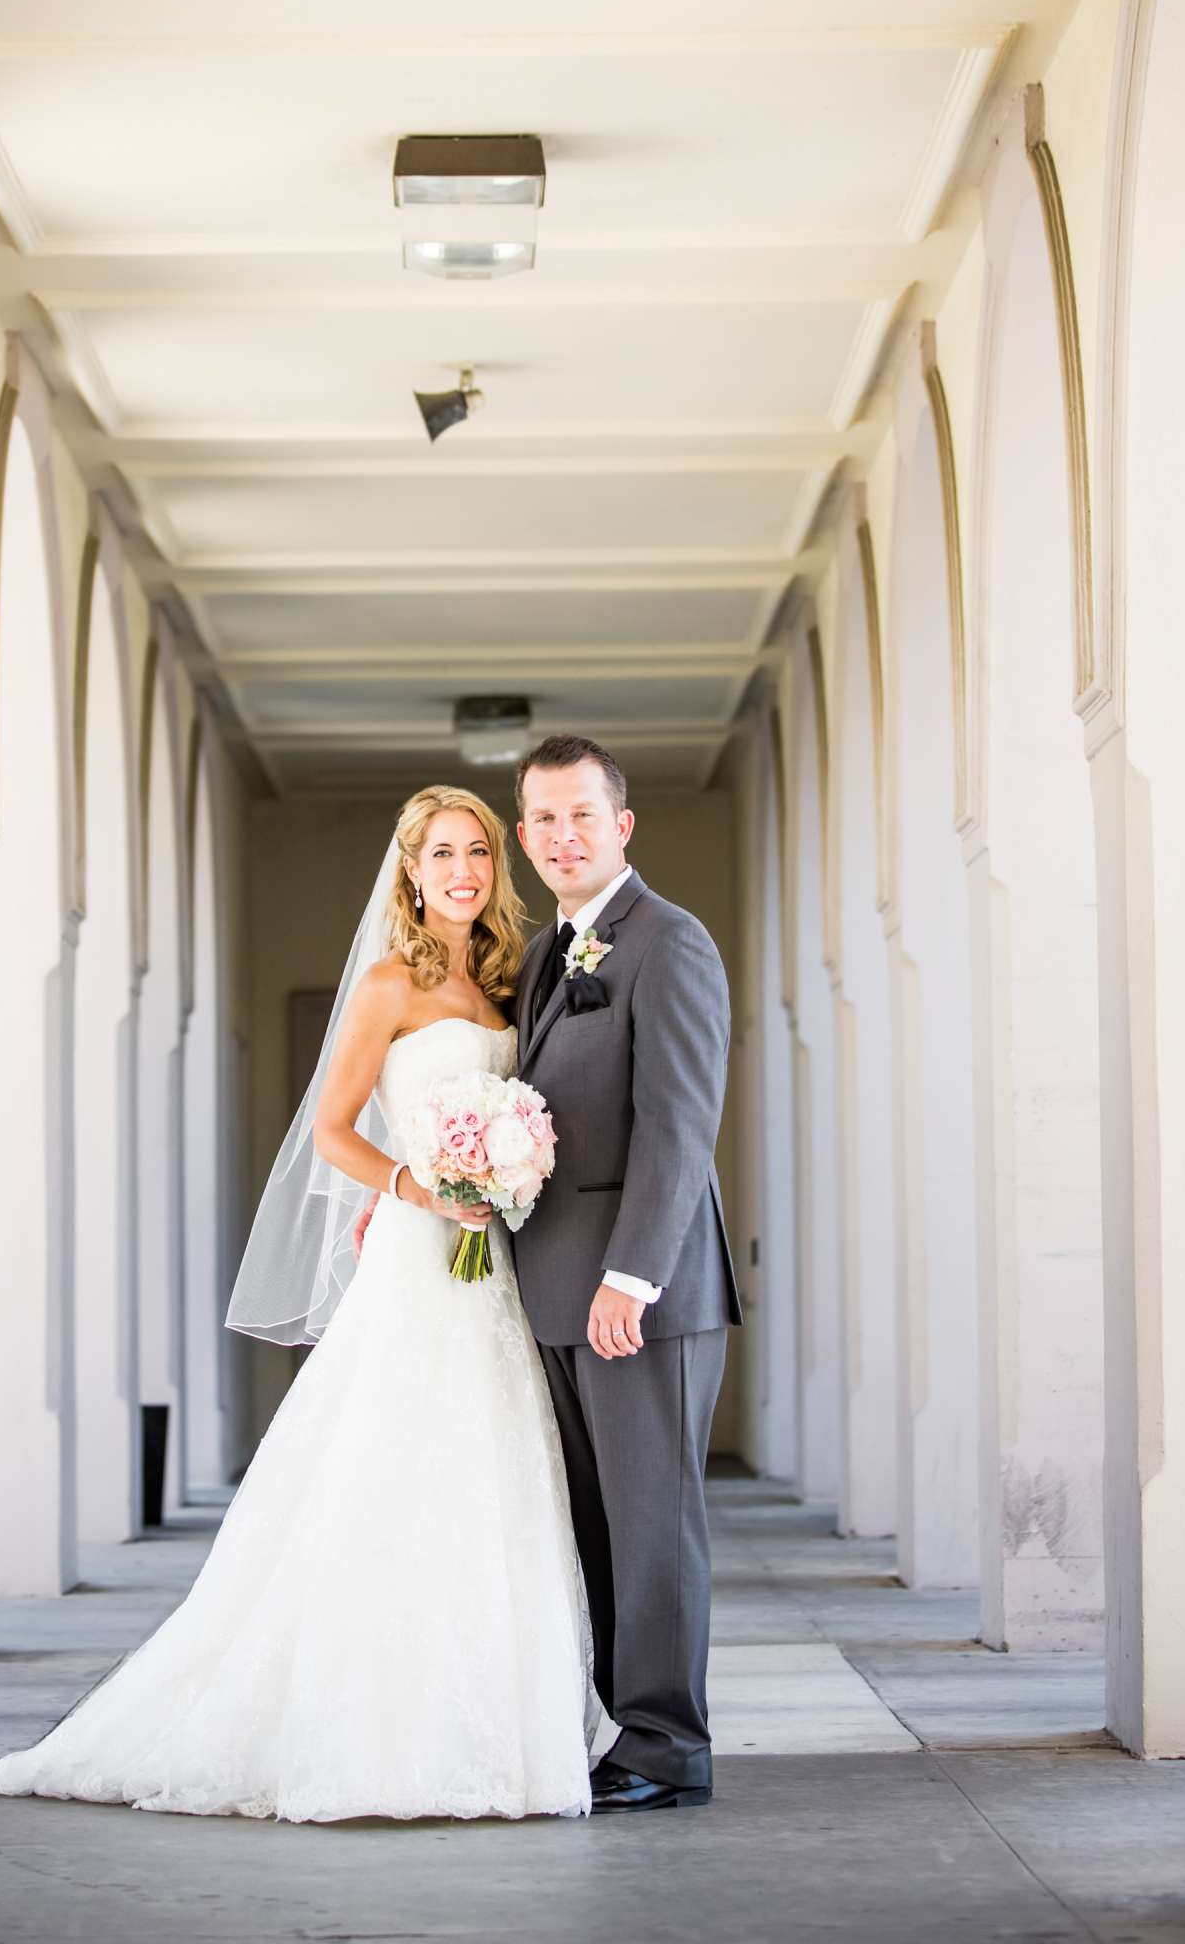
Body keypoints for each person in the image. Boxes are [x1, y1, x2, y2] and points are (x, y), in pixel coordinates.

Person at [0, 783, 603, 1822]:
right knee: (392, 1474)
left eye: (475, 851)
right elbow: (333, 1130)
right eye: (440, 855)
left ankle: (497, 1737)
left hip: (489, 1265)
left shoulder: (512, 982)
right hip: (420, 1252)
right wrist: (421, 1187)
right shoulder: (386, 984)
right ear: (410, 874)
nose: (462, 870)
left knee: (491, 1474)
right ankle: (370, 1732)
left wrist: (504, 1173)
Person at [509, 733, 742, 1811]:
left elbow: (679, 1127)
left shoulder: (669, 943)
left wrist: (632, 1279)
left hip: (637, 1298)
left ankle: (665, 1746)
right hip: (550, 1287)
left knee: (654, 1524)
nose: (562, 836)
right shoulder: (549, 952)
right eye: (543, 819)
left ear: (622, 827)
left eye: (581, 817)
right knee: (592, 1527)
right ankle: (614, 1729)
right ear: (525, 835)